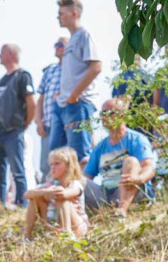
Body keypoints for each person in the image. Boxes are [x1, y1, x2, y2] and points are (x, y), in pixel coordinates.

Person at [82, 98, 156, 215]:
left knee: (131, 161)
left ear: (122, 115)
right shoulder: (100, 147)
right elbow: (86, 176)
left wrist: (139, 179)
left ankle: (122, 210)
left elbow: (149, 168)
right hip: (106, 196)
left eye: (109, 112)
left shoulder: (136, 139)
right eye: (102, 113)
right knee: (77, 180)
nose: (104, 117)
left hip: (134, 191)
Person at [50, 0, 101, 164]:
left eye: (61, 14)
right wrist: (62, 93)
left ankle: (84, 182)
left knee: (80, 155)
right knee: (56, 156)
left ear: (74, 13)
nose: (58, 17)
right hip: (63, 104)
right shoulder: (71, 39)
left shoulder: (84, 35)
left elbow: (96, 67)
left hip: (79, 104)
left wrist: (74, 95)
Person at [0, 43, 36, 208]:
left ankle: (22, 206)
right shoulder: (2, 80)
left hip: (13, 132)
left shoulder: (23, 76)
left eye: (1, 52)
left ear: (10, 53)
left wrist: (24, 125)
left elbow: (32, 103)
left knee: (18, 171)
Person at [23, 146, 87, 239]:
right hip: (53, 225)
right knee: (35, 198)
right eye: (51, 164)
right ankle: (27, 235)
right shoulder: (49, 185)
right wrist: (45, 192)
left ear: (69, 166)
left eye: (57, 164)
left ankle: (67, 233)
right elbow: (27, 194)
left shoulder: (75, 184)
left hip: (76, 226)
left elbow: (65, 194)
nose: (53, 167)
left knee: (61, 198)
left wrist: (54, 191)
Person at [36, 37, 68, 180]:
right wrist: (38, 122)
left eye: (61, 44)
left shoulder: (73, 69)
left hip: (65, 126)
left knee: (65, 163)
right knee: (46, 165)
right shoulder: (49, 71)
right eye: (56, 44)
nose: (57, 47)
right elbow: (40, 100)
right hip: (47, 126)